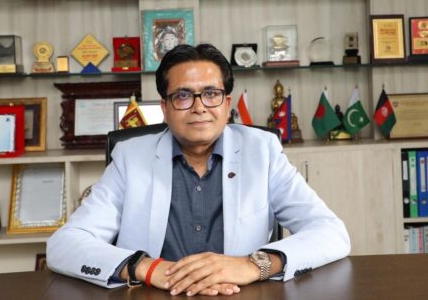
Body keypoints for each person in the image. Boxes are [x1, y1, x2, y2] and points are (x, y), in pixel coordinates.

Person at [47, 44, 350, 296]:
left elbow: (331, 233)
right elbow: (64, 245)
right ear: (165, 108)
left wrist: (252, 265)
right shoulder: (130, 157)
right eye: (183, 95)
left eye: (211, 93)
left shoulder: (262, 151)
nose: (199, 107)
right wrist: (148, 268)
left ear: (226, 104)